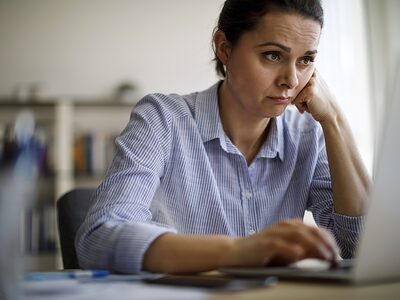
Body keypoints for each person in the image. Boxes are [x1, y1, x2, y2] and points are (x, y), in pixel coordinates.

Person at [76, 0, 371, 274]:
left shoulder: (308, 135)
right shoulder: (162, 119)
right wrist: (240, 251)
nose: (291, 80)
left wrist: (334, 120)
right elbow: (99, 236)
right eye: (272, 55)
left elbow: (359, 246)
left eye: (305, 60)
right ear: (225, 49)